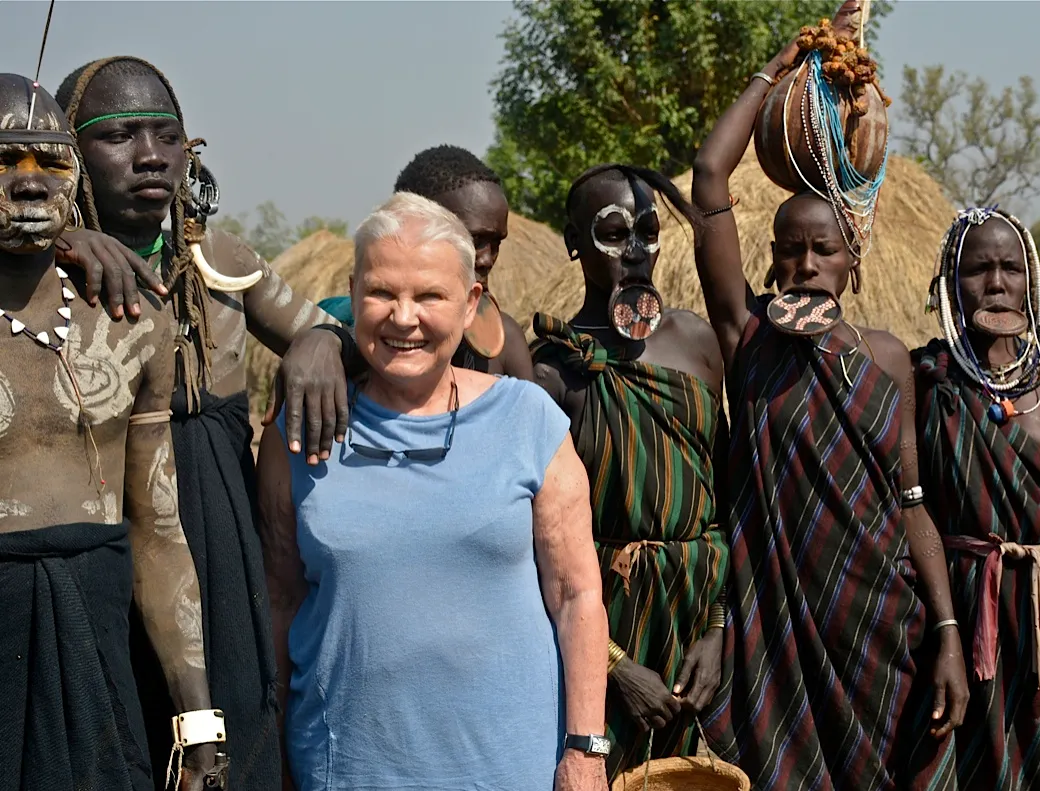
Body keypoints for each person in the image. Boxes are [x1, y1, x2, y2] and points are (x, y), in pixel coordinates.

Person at [55, 56, 344, 791]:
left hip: (220, 537)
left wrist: (315, 342)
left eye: (168, 136)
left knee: (235, 720)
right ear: (68, 154)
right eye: (119, 135)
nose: (150, 156)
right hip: (104, 541)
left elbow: (331, 333)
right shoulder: (41, 276)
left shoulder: (220, 263)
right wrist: (60, 239)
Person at [258, 192, 608, 790]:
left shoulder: (527, 421)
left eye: (429, 296)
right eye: (382, 293)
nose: (403, 317)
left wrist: (586, 751)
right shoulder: (297, 434)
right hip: (345, 770)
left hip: (510, 768)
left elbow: (577, 595)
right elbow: (280, 601)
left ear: (470, 303)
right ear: (353, 290)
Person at [691, 41, 969, 791]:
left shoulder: (887, 358)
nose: (805, 266)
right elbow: (710, 178)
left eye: (823, 251)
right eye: (789, 251)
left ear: (853, 260)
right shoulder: (747, 340)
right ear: (772, 258)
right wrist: (772, 74)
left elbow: (911, 502)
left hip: (879, 620)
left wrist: (946, 630)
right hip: (773, 627)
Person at [0, 73, 219, 791]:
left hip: (96, 658)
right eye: (4, 161)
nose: (29, 184)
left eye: (50, 164)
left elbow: (159, 532)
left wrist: (198, 729)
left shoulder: (130, 325)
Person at [530, 163, 729, 778]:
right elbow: (539, 545)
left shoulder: (697, 342)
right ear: (573, 243)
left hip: (704, 627)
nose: (636, 252)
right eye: (613, 233)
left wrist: (720, 631)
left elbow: (732, 497)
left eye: (647, 230)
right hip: (605, 628)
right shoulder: (553, 371)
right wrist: (612, 666)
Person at [913, 207, 1040, 790]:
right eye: (977, 269)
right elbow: (912, 507)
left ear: (1031, 278)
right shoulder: (927, 379)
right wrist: (943, 630)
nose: (996, 283)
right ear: (949, 282)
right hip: (962, 612)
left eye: (1010, 268)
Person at [317, 145, 535, 379]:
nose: (486, 260)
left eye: (496, 243)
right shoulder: (352, 330)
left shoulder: (505, 339)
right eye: (474, 239)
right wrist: (322, 338)